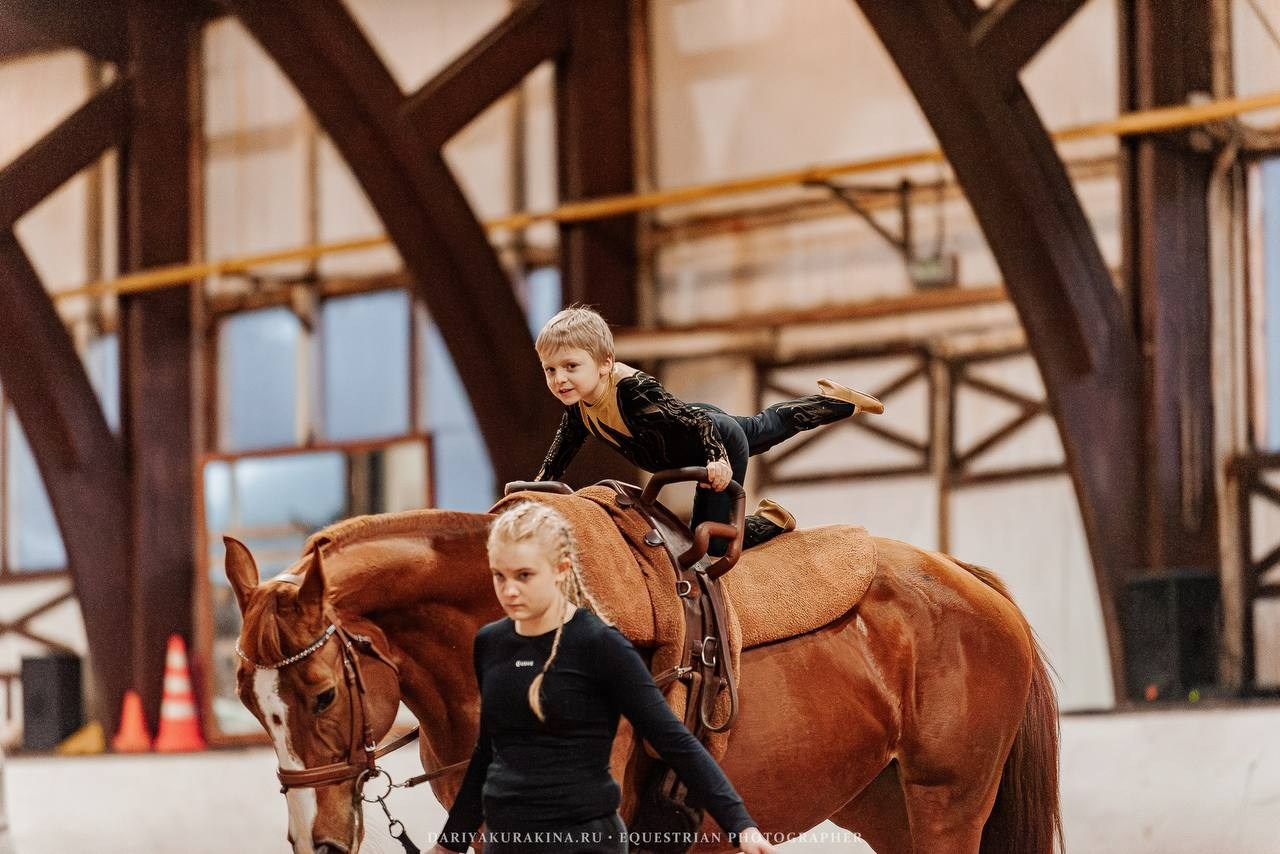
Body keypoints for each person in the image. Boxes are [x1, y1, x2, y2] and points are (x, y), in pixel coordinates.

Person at [433, 502, 776, 854]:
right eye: (499, 576)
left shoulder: (599, 644)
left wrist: (741, 826)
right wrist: (450, 844)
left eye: (524, 575)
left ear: (561, 569)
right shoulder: (490, 643)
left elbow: (673, 740)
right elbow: (488, 750)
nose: (509, 591)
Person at [533, 306, 883, 552]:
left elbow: (696, 422)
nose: (559, 379)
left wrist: (717, 459)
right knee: (766, 427)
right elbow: (559, 455)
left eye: (571, 366)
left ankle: (772, 521)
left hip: (712, 438)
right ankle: (839, 402)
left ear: (605, 363)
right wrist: (534, 491)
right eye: (550, 370)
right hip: (699, 430)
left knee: (710, 541)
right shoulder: (579, 408)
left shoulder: (633, 392)